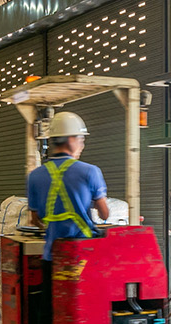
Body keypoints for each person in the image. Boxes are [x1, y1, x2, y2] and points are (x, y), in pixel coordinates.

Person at [26, 111, 110, 260]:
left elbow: (35, 219)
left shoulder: (34, 175)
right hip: (82, 255)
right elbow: (104, 214)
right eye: (81, 139)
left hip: (52, 255)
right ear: (71, 139)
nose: (82, 145)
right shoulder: (90, 171)